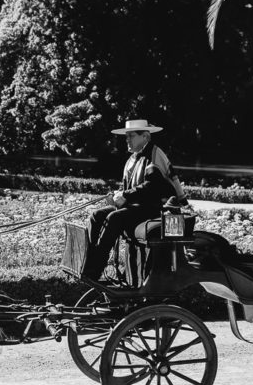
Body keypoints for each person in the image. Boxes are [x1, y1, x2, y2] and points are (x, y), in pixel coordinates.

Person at [80, 118, 188, 282]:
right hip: (138, 207)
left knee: (113, 218)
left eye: (131, 136)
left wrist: (125, 196)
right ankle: (88, 266)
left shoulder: (154, 155)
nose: (127, 140)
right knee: (96, 215)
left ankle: (94, 271)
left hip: (158, 210)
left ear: (145, 136)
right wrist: (118, 195)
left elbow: (153, 186)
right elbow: (132, 187)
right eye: (127, 136)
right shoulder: (135, 157)